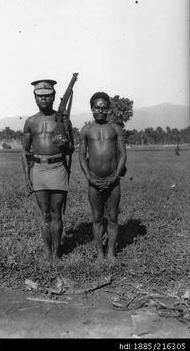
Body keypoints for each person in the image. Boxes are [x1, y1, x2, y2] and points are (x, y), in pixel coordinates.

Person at [22, 79, 74, 264]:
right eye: (40, 96)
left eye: (47, 95)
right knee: (44, 213)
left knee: (56, 212)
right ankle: (47, 252)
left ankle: (56, 253)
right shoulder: (30, 122)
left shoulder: (63, 120)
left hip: (58, 168)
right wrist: (27, 176)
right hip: (39, 169)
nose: (44, 99)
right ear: (35, 97)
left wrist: (64, 142)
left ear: (53, 96)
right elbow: (25, 151)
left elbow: (70, 150)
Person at [79, 92, 127, 261]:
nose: (100, 110)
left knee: (113, 217)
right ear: (92, 108)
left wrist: (116, 176)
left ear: (108, 109)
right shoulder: (86, 130)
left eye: (103, 108)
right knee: (97, 218)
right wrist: (89, 178)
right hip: (94, 182)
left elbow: (122, 154)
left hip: (113, 182)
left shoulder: (115, 129)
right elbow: (81, 157)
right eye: (97, 107)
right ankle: (100, 253)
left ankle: (112, 252)